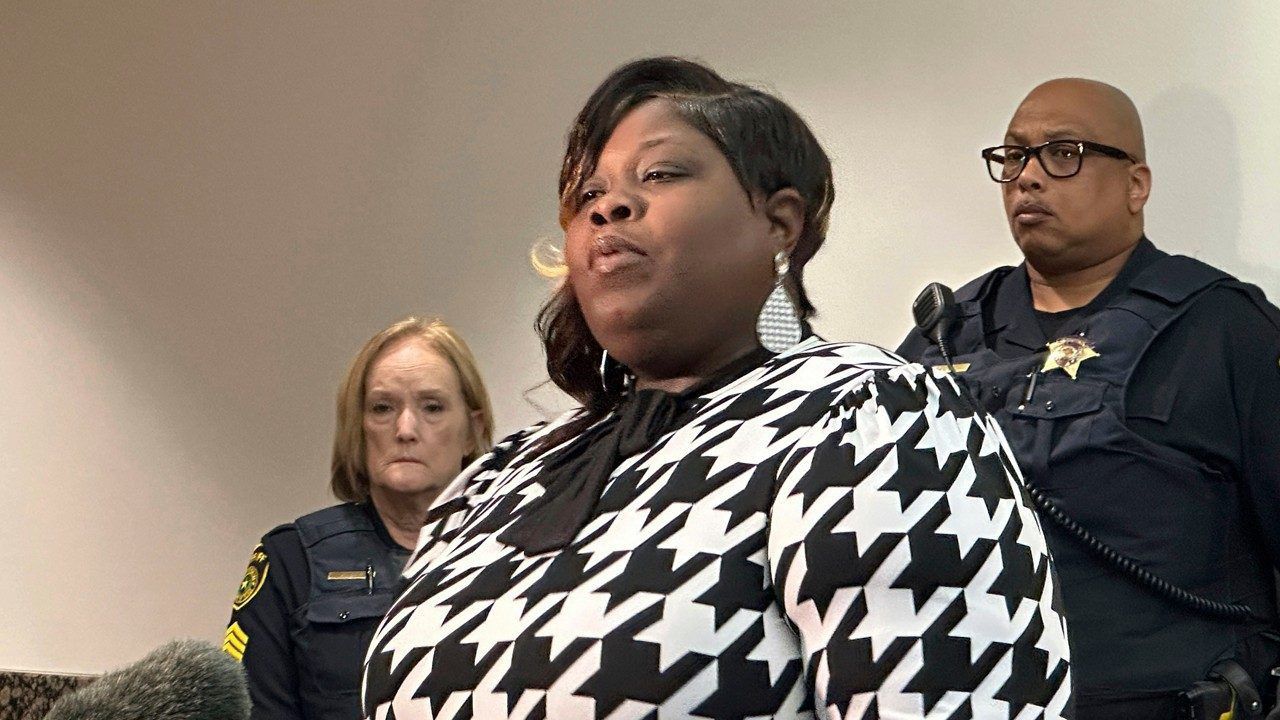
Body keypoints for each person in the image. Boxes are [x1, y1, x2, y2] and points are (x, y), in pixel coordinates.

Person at [361, 57, 1071, 719]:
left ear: (779, 223)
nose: (609, 209)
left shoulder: (873, 419)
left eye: (661, 174)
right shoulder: (496, 480)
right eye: (589, 194)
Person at [898, 78, 1280, 719]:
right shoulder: (948, 329)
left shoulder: (1224, 328)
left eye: (1064, 152)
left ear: (1136, 185)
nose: (1029, 178)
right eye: (1013, 157)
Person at [223, 317, 494, 720]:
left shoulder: (518, 552)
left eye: (432, 407)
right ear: (358, 425)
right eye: (383, 408)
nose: (405, 429)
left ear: (472, 431)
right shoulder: (291, 561)